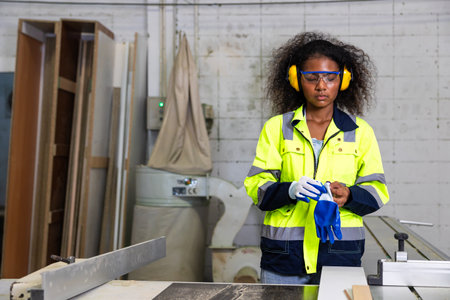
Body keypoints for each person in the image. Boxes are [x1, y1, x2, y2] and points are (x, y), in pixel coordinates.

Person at [244, 32, 389, 284]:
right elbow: (257, 188)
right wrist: (290, 190)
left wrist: (349, 195)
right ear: (295, 80)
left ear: (343, 81)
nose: (321, 86)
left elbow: (377, 192)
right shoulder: (276, 128)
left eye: (330, 78)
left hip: (339, 257)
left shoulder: (360, 131)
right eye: (311, 78)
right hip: (285, 260)